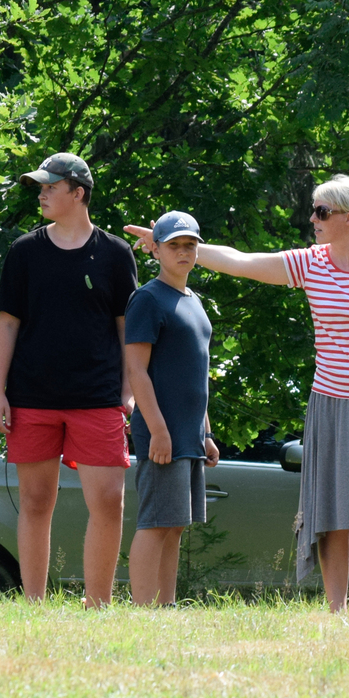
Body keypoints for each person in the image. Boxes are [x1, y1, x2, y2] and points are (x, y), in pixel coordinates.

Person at [125, 174, 349, 611]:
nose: (312, 219)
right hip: (332, 401)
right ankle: (337, 610)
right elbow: (241, 261)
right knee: (332, 511)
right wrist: (177, 246)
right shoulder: (311, 263)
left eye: (321, 211)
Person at [0, 153, 139, 606]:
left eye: (51, 187)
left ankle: (98, 605)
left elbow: (127, 328)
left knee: (109, 501)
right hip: (31, 395)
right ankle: (34, 604)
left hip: (98, 397)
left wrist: (128, 389)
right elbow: (7, 324)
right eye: (41, 187)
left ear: (78, 193)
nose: (42, 194)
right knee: (36, 501)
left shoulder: (116, 253)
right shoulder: (24, 251)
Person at [122, 211, 220, 605]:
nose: (183, 252)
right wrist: (159, 431)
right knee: (156, 523)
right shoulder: (147, 298)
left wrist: (206, 433)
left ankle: (165, 607)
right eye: (174, 245)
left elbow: (197, 374)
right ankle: (144, 609)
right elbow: (136, 371)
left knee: (176, 524)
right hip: (161, 433)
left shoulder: (194, 301)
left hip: (189, 434)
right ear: (156, 250)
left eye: (189, 245)